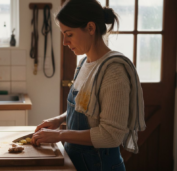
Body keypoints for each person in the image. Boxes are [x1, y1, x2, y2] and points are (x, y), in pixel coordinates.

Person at [31, 0, 146, 170]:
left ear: (91, 28)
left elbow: (110, 136)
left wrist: (58, 135)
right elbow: (86, 106)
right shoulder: (84, 63)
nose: (64, 42)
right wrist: (59, 120)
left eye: (69, 34)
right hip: (77, 162)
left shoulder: (114, 71)